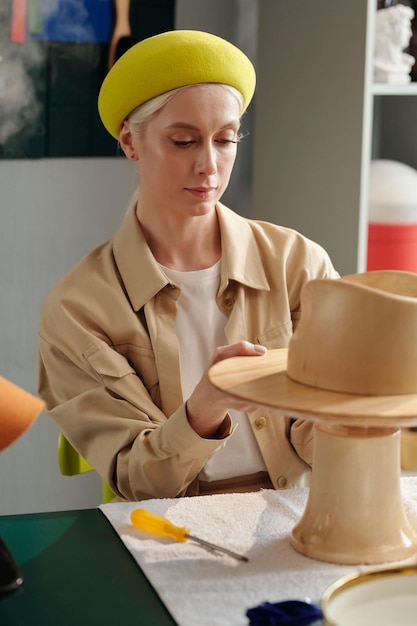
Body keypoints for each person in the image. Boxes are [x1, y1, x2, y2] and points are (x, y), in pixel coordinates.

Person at [38, 30, 338, 502]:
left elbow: (325, 437)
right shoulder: (78, 309)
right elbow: (138, 480)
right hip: (166, 529)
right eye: (183, 141)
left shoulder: (298, 263)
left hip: (294, 516)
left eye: (225, 139)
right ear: (131, 142)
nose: (209, 166)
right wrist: (206, 405)